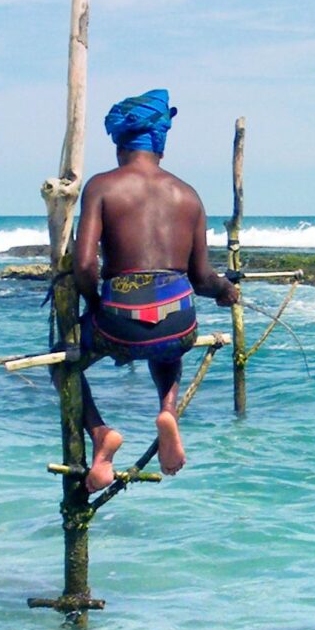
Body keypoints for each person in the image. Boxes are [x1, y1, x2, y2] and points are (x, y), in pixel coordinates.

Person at [70, 88, 238, 490]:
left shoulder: (101, 186)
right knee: (169, 345)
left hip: (118, 319)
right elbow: (201, 278)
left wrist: (94, 305)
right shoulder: (188, 194)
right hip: (177, 317)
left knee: (66, 364)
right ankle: (167, 411)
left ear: (119, 143)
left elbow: (83, 264)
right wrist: (225, 291)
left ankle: (99, 434)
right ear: (160, 142)